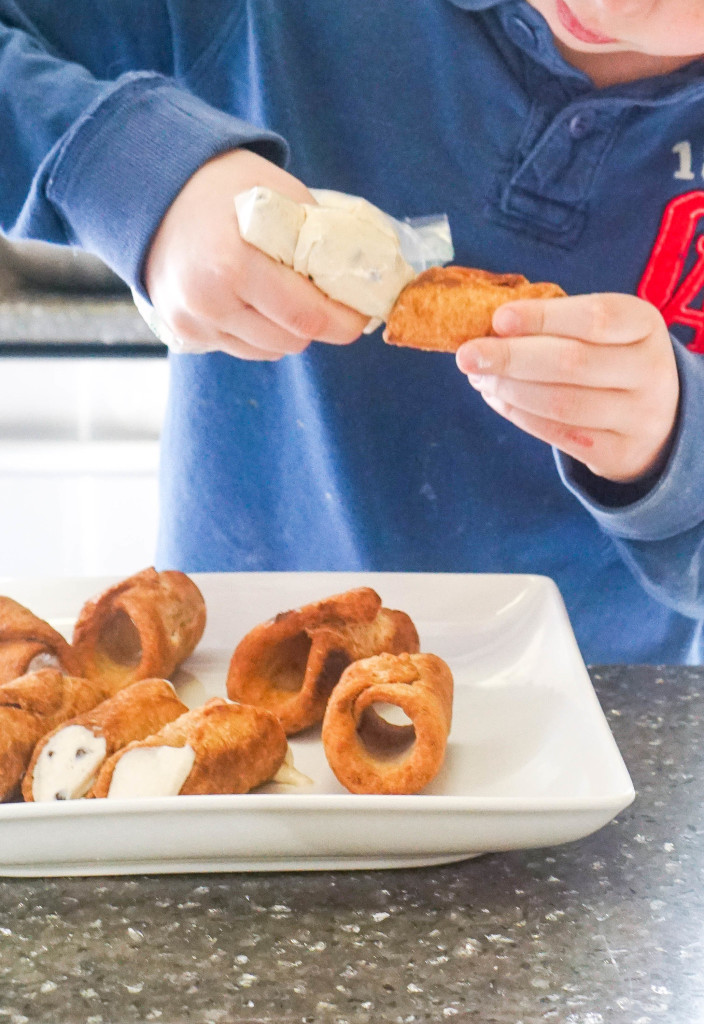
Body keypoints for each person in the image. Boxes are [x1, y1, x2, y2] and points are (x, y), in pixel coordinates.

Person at [1, 0, 704, 664]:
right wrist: (130, 170)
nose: (610, 7)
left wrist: (673, 448)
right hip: (239, 676)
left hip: (602, 720)